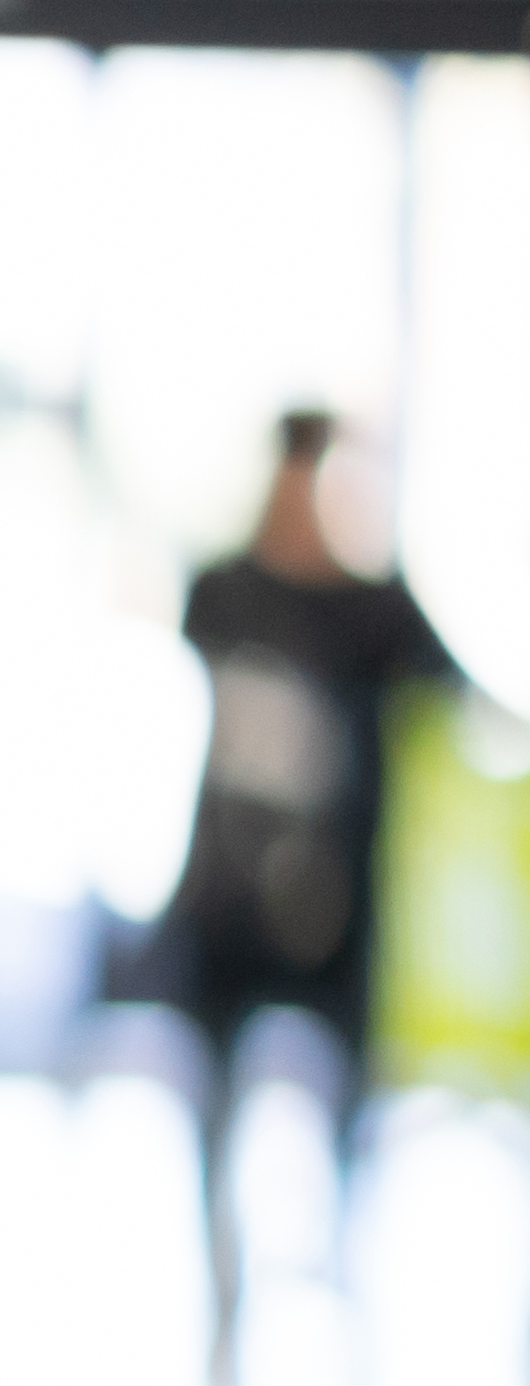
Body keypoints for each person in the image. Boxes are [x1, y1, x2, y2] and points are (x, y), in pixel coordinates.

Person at [143, 408, 459, 1107]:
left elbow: (447, 686)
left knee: (340, 1064)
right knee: (215, 1062)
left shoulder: (374, 612)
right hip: (229, 885)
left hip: (333, 884)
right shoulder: (225, 594)